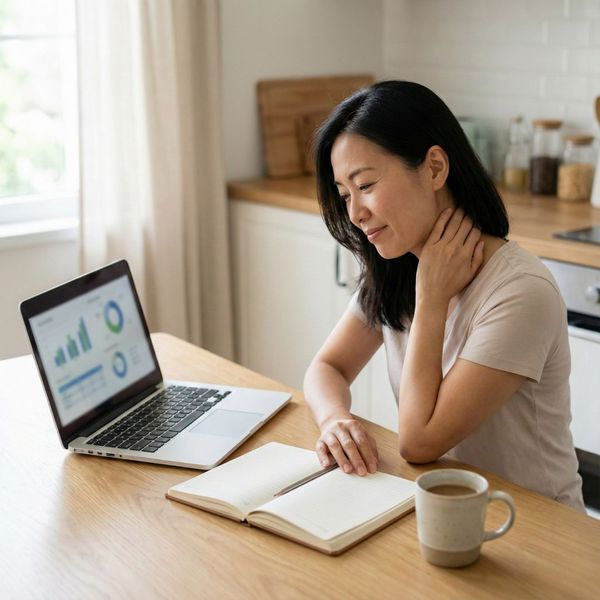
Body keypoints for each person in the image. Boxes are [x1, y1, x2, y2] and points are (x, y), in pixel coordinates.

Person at [303, 80, 584, 510]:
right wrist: (335, 419)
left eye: (366, 185)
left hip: (535, 529)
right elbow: (327, 367)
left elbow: (419, 442)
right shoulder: (395, 268)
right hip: (445, 509)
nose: (355, 214)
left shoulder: (520, 292)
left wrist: (431, 298)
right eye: (345, 195)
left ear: (434, 168)